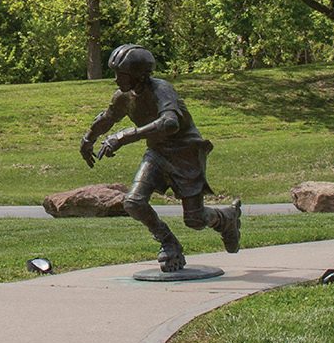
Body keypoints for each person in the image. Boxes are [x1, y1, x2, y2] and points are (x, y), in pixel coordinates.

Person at [80, 44, 241, 272]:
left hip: (185, 154)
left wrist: (125, 136)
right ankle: (168, 242)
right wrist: (88, 139)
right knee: (133, 202)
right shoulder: (123, 97)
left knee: (195, 220)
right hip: (156, 154)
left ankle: (226, 218)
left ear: (138, 74)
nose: (116, 80)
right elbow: (108, 118)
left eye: (121, 74)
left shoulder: (161, 90)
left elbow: (170, 123)